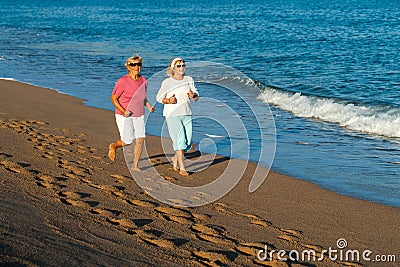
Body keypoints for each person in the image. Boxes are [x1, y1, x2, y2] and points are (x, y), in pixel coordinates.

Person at [108, 55, 154, 171]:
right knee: (127, 141)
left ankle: (135, 165)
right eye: (133, 64)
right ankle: (113, 146)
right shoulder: (123, 81)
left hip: (139, 114)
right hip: (124, 115)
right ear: (128, 66)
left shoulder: (144, 80)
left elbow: (142, 98)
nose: (136, 67)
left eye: (138, 64)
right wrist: (123, 111)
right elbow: (113, 98)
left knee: (140, 139)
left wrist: (148, 106)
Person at [156, 57, 199, 176]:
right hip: (172, 114)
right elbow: (159, 98)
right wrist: (169, 100)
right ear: (173, 68)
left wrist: (193, 95)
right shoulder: (167, 82)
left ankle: (175, 158)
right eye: (179, 66)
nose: (182, 68)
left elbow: (196, 96)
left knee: (188, 143)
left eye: (183, 65)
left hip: (186, 113)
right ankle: (182, 168)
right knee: (180, 141)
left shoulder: (189, 79)